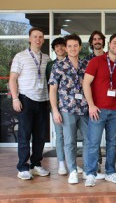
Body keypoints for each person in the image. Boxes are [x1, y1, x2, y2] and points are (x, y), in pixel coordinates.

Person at [83, 32, 116, 187]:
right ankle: (90, 173)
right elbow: (86, 84)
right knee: (93, 143)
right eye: (114, 43)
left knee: (112, 143)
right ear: (109, 44)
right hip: (97, 110)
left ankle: (110, 172)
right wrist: (91, 105)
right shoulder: (96, 61)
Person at [9, 27, 51, 180]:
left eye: (40, 37)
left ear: (43, 39)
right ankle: (22, 167)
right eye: (35, 37)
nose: (38, 39)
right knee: (24, 135)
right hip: (26, 100)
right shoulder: (20, 57)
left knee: (40, 137)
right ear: (29, 38)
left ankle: (36, 165)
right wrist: (15, 98)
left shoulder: (46, 58)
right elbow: (12, 79)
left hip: (43, 102)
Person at [48, 34, 89, 184]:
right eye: (69, 46)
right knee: (70, 141)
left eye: (75, 46)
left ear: (80, 47)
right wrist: (55, 110)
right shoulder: (58, 66)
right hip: (66, 109)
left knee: (88, 140)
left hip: (84, 109)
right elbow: (52, 90)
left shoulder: (86, 64)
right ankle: (72, 170)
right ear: (65, 48)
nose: (72, 49)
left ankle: (87, 170)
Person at [45, 37, 67, 175]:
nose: (59, 49)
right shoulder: (50, 65)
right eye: (56, 47)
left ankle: (73, 164)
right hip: (56, 105)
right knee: (59, 135)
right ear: (54, 49)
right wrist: (53, 105)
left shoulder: (72, 61)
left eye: (61, 46)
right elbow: (50, 86)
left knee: (70, 136)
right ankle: (61, 163)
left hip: (71, 106)